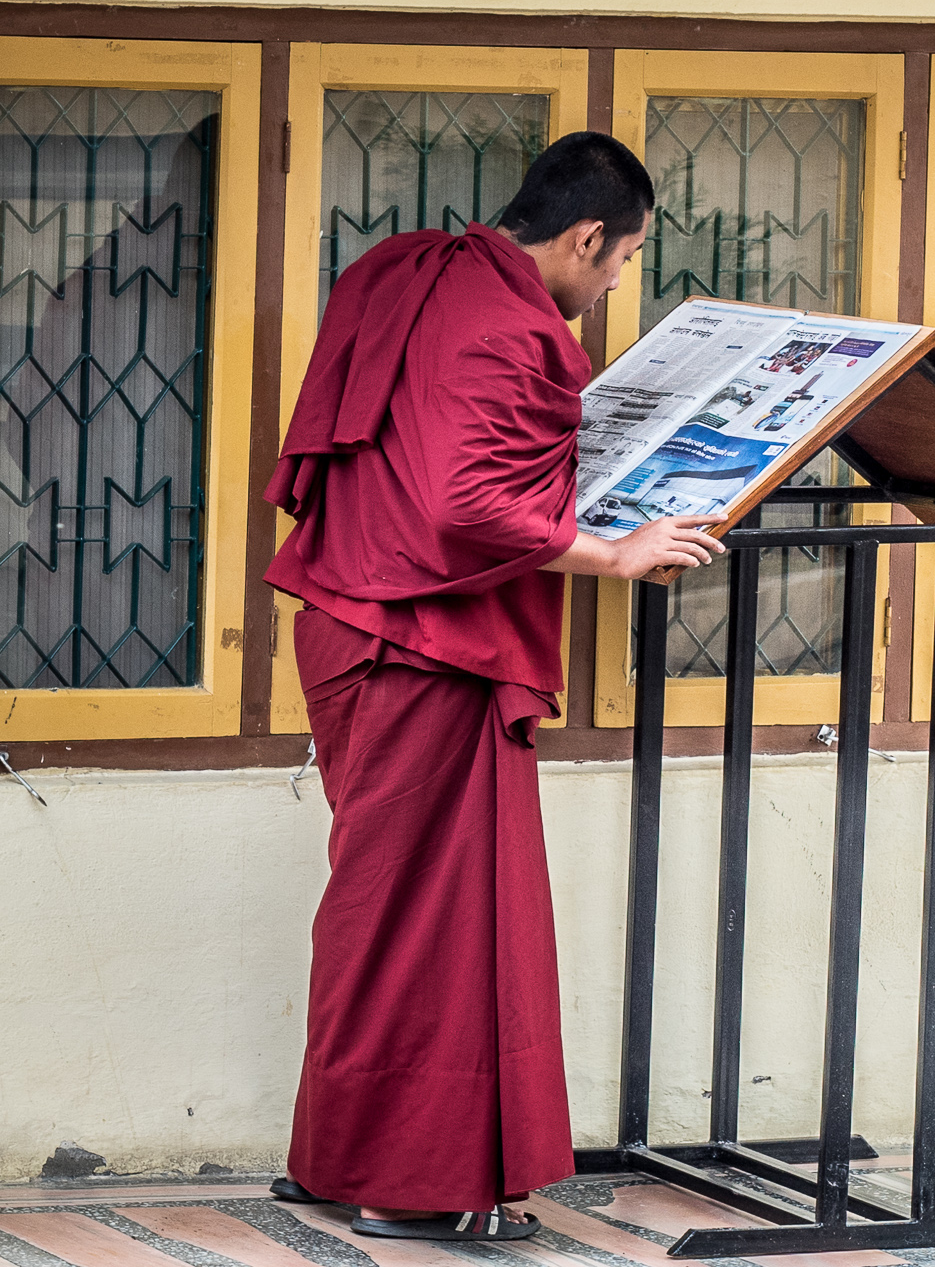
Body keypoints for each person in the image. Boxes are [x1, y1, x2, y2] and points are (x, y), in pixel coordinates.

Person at [262, 132, 724, 1242]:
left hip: (345, 620)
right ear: (582, 236)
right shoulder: (504, 326)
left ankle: (338, 1159)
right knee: (431, 918)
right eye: (619, 263)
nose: (613, 286)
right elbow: (461, 505)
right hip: (422, 649)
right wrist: (615, 552)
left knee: (380, 909)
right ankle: (405, 1186)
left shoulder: (403, 270)